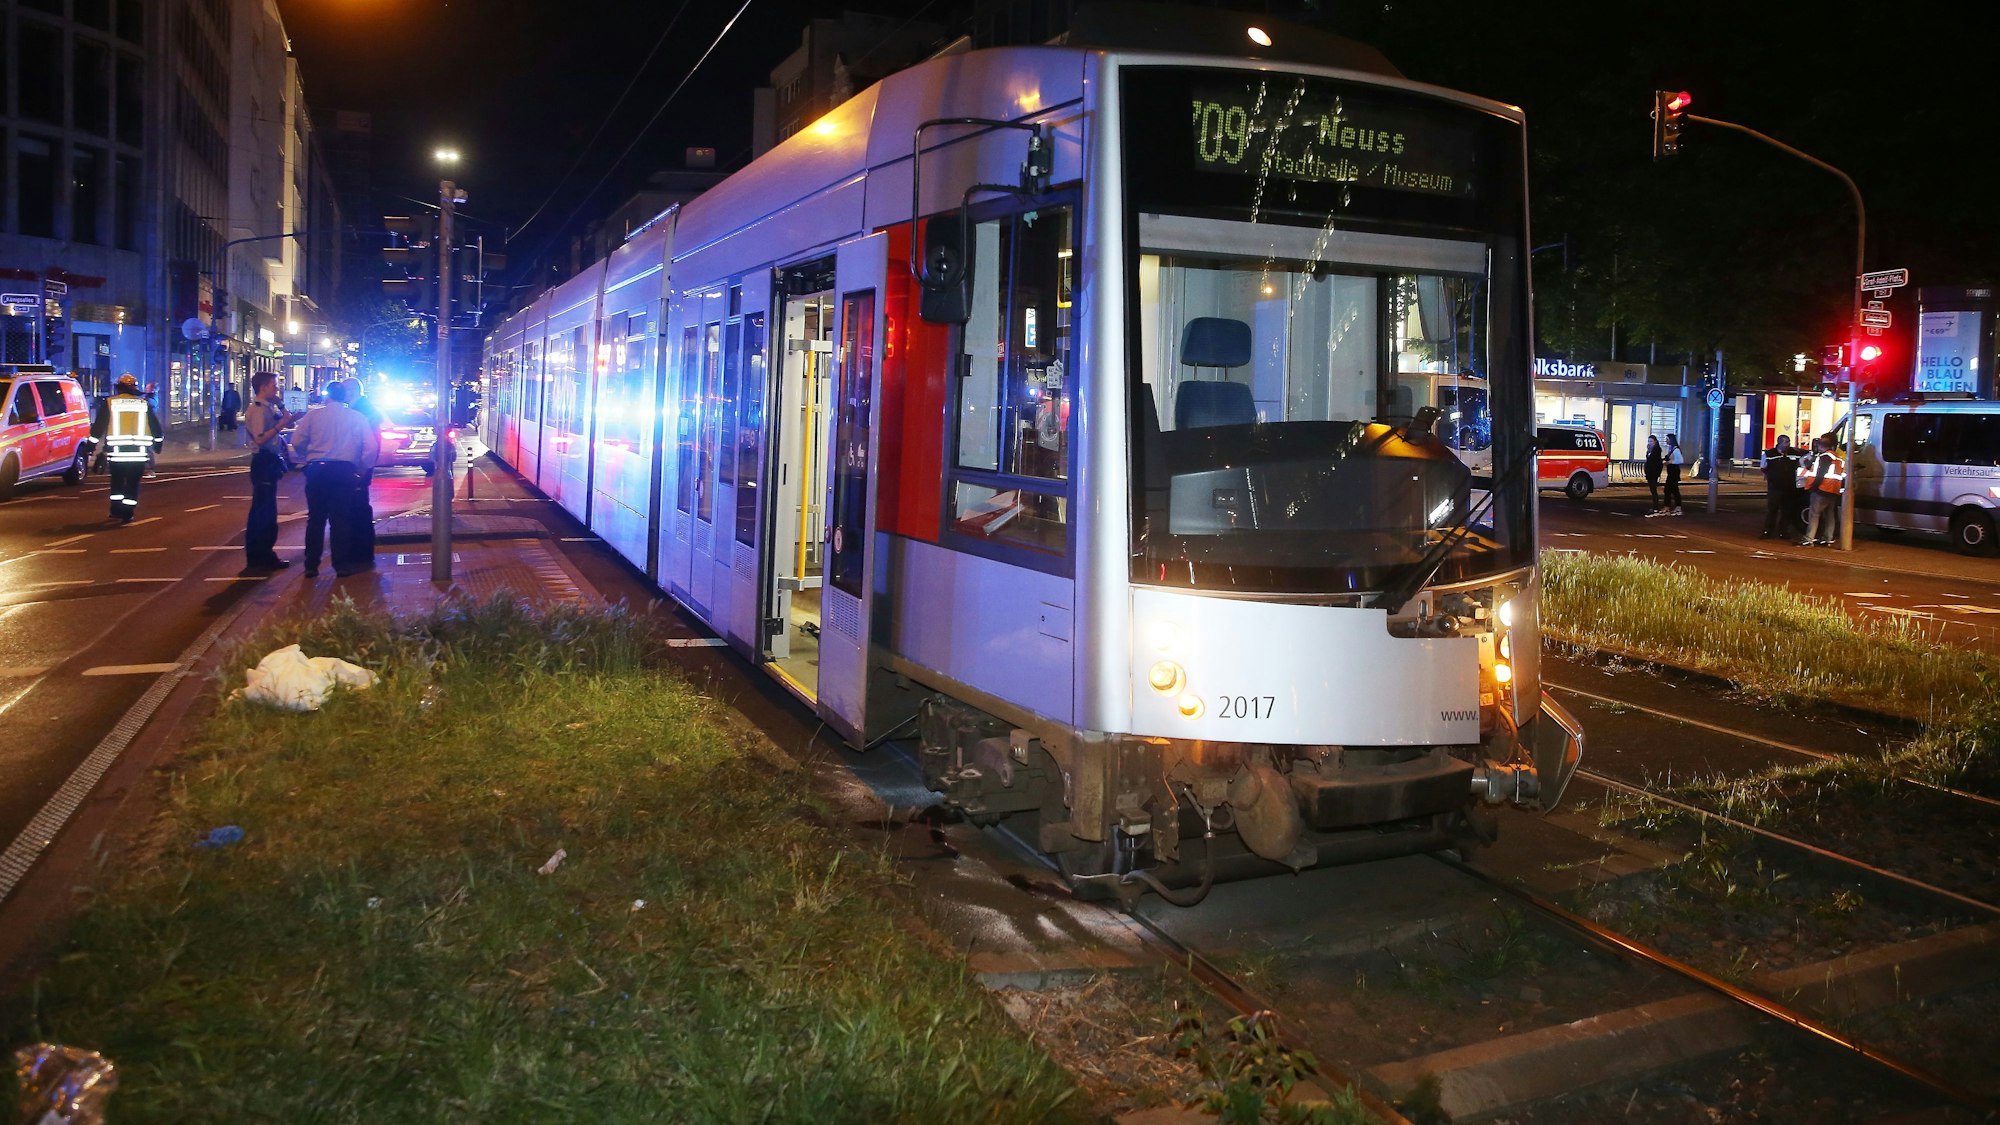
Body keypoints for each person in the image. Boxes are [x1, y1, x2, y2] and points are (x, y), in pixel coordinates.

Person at [285, 380, 378, 578]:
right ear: (344, 396)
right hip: (344, 470)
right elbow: (370, 447)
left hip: (318, 469)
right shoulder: (357, 417)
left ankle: (311, 565)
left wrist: (306, 457)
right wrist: (360, 468)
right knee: (340, 519)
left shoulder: (313, 416)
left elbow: (296, 441)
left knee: (315, 519)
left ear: (327, 395)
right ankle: (341, 565)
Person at [87, 374, 163, 522]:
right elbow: (156, 427)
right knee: (132, 483)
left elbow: (98, 427)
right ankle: (128, 513)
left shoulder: (110, 403)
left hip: (117, 453)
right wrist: (158, 445)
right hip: (138, 453)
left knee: (117, 481)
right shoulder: (143, 404)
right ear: (134, 388)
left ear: (118, 387)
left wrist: (91, 445)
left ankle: (116, 510)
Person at [240, 372, 295, 574]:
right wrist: (280, 425)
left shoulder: (268, 407)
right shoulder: (258, 410)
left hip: (269, 461)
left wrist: (280, 405)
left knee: (268, 511)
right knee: (262, 512)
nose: (276, 388)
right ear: (263, 387)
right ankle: (257, 558)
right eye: (273, 385)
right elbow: (260, 438)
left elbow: (289, 419)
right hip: (263, 461)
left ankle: (266, 554)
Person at [341, 378, 381, 564]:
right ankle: (361, 552)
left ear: (351, 391)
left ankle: (360, 553)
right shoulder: (363, 408)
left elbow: (370, 443)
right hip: (360, 465)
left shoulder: (362, 411)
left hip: (359, 466)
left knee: (358, 508)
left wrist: (362, 469)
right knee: (358, 507)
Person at [1798, 435, 1847, 547]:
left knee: (1814, 514)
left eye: (1819, 445)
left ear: (1822, 446)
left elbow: (1821, 473)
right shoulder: (1838, 458)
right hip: (1833, 490)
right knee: (1830, 515)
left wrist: (1813, 487)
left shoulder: (1824, 457)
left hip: (1822, 488)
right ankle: (1828, 538)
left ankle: (1809, 538)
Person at [1759, 434, 1801, 539]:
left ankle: (1783, 532)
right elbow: (1763, 467)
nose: (1788, 444)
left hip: (1789, 488)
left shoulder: (1794, 454)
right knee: (1772, 510)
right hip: (1775, 487)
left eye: (1789, 442)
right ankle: (1768, 531)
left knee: (1786, 510)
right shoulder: (1769, 454)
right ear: (1779, 443)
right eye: (1786, 442)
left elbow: (1800, 464)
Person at [1647, 433, 1685, 517]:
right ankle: (1672, 506)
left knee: (1669, 490)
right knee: (1673, 490)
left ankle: (1670, 507)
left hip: (1674, 472)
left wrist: (1669, 462)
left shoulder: (1675, 449)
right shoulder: (1671, 448)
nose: (1666, 441)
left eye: (1667, 439)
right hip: (1671, 472)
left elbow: (1681, 460)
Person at [1642, 435, 1664, 512]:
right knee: (1652, 490)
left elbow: (1655, 462)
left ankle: (1656, 507)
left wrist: (1656, 473)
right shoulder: (1650, 449)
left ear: (1655, 441)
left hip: (1653, 473)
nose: (1649, 443)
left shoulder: (1657, 449)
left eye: (1651, 441)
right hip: (1650, 472)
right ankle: (1655, 506)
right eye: (1649, 441)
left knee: (1654, 490)